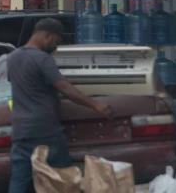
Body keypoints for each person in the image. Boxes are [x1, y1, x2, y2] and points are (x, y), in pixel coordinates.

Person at [7, 18, 112, 193]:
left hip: (21, 131)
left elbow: (22, 86)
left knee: (19, 179)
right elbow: (64, 87)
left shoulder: (12, 58)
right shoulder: (42, 59)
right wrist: (95, 105)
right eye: (56, 41)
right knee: (64, 178)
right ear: (47, 36)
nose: (56, 46)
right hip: (45, 131)